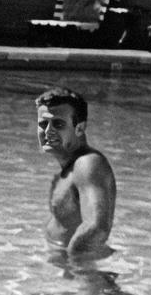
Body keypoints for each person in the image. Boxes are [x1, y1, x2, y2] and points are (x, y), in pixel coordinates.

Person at [36, 86, 116, 259]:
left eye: (57, 124)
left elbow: (97, 227)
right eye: (43, 124)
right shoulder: (72, 167)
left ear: (79, 128)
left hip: (81, 272)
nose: (47, 131)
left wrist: (75, 268)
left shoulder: (88, 164)